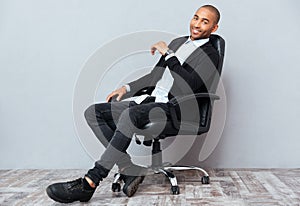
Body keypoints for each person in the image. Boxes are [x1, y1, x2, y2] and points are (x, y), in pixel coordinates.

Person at [46, 4, 220, 203]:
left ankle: (90, 182)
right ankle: (129, 169)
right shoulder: (179, 43)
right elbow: (154, 77)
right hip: (149, 102)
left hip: (174, 109)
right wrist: (126, 88)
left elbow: (188, 83)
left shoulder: (210, 54)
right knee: (93, 113)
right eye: (195, 18)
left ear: (214, 28)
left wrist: (169, 55)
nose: (196, 25)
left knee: (130, 116)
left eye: (204, 22)